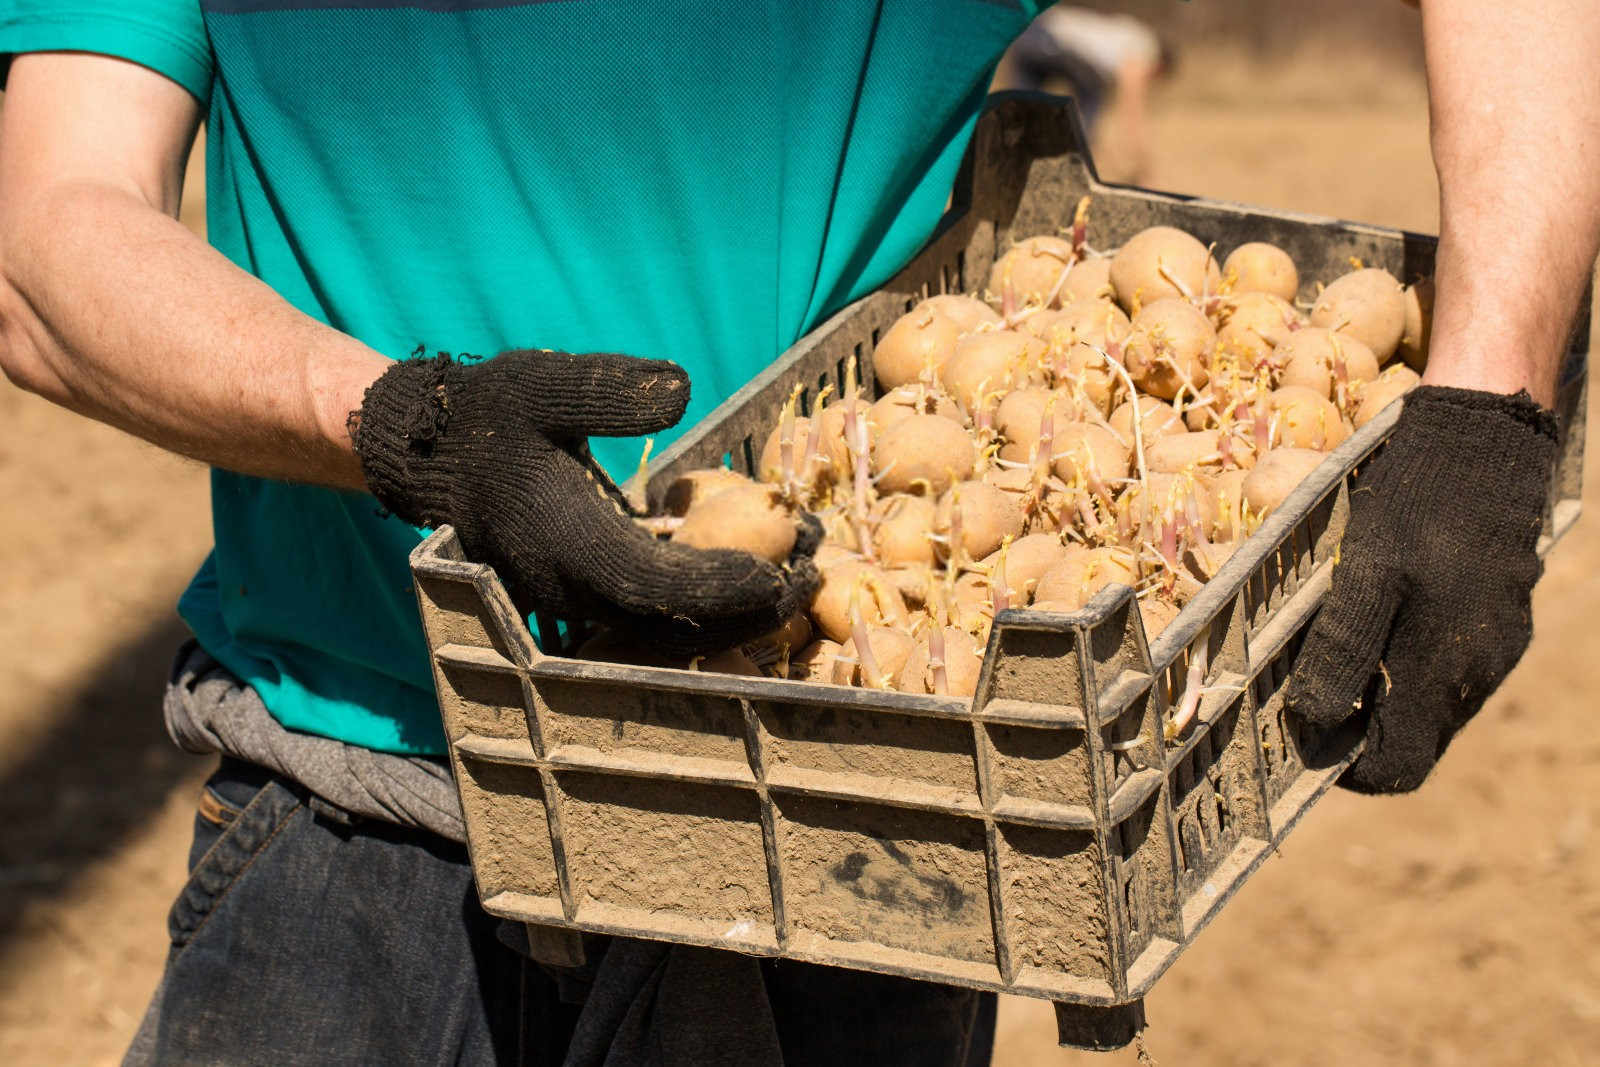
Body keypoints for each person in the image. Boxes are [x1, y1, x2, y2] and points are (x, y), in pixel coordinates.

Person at [0, 0, 1594, 1062]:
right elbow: (50, 231)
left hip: (868, 813)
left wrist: (1487, 403)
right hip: (363, 800)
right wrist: (405, 426)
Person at [1005, 4, 1173, 179]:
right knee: (1093, 93)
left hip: (1029, 32)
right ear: (1160, 67)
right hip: (1055, 40)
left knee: (1022, 109)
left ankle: (1011, 164)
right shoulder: (1146, 47)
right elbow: (1131, 107)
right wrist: (1140, 158)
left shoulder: (1126, 32)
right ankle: (1075, 161)